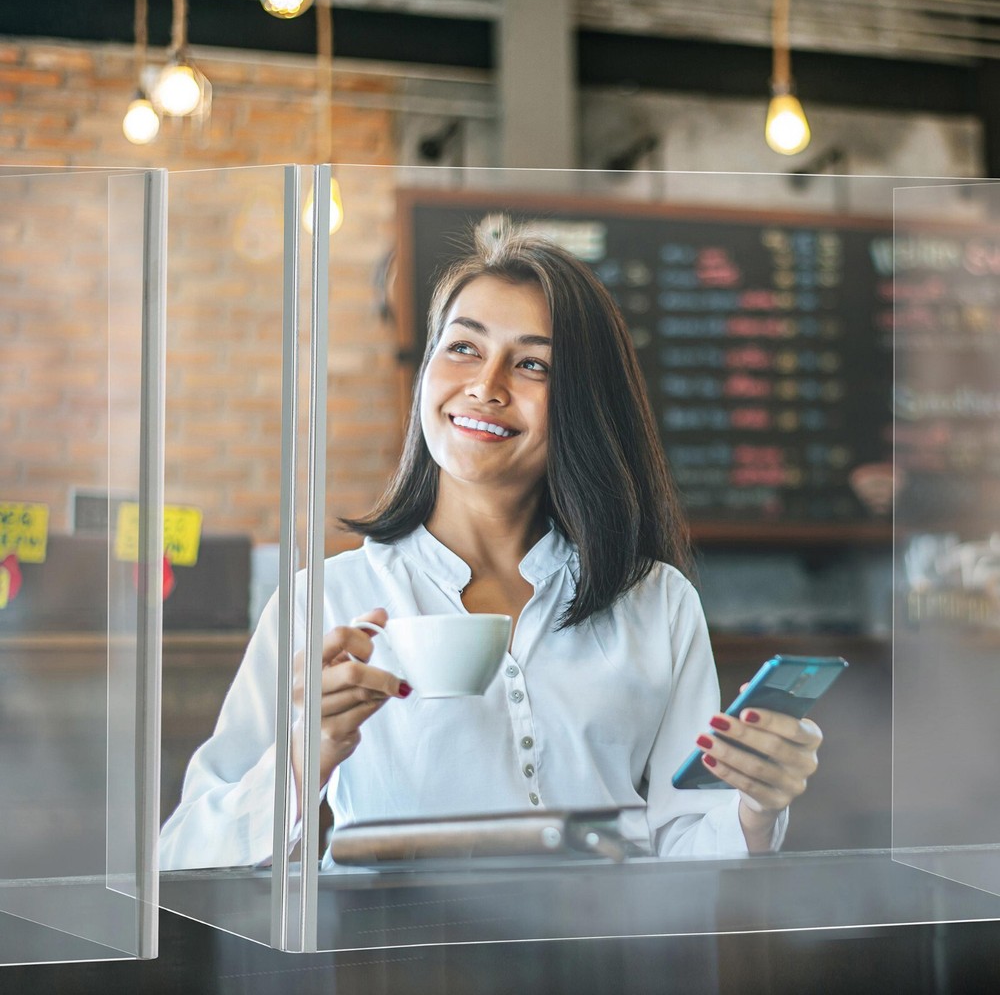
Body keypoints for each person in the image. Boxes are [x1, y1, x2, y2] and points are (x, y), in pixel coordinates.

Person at [159, 223, 823, 870]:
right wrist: (309, 755)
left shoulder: (655, 601)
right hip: (396, 964)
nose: (487, 385)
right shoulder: (327, 599)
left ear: (584, 404)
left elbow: (688, 845)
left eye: (532, 363)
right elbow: (184, 850)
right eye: (463, 348)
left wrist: (756, 803)